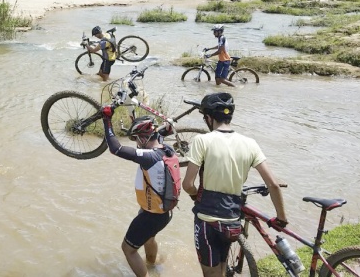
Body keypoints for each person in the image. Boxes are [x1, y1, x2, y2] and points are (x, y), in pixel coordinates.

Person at [183, 93, 287, 277]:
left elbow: (188, 184)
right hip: (232, 220)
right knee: (222, 268)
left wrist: (194, 197)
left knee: (210, 273)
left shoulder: (202, 141)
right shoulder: (250, 143)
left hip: (208, 221)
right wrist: (281, 218)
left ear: (208, 118)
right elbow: (273, 185)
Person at [100, 106, 176, 277]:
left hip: (151, 216)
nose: (136, 143)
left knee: (128, 249)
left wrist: (107, 120)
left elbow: (116, 148)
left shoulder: (149, 157)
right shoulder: (166, 149)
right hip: (165, 211)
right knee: (149, 238)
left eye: (137, 139)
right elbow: (164, 131)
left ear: (143, 138)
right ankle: (152, 266)